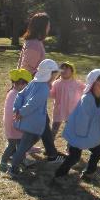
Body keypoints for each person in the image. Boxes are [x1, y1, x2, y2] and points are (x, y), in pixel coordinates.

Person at [52, 68, 100, 183]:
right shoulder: (87, 99)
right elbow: (81, 121)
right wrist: (80, 140)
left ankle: (88, 172)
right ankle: (59, 174)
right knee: (74, 157)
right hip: (79, 134)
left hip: (92, 134)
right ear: (97, 83)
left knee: (98, 151)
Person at [17, 12, 60, 161]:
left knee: (41, 119)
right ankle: (48, 152)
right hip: (32, 86)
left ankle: (34, 147)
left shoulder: (33, 42)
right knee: (41, 120)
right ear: (43, 26)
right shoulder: (34, 44)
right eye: (48, 25)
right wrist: (48, 76)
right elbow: (28, 68)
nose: (49, 27)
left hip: (32, 85)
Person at [9, 59, 62, 177]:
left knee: (30, 141)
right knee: (24, 145)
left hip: (32, 122)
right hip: (33, 122)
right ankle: (13, 167)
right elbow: (33, 103)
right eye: (55, 74)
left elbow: (20, 94)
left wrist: (17, 109)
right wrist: (20, 111)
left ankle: (17, 158)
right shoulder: (43, 88)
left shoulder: (34, 82)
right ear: (49, 74)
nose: (56, 77)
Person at [0, 68, 32, 171]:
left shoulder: (15, 92)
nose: (23, 86)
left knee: (21, 144)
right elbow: (14, 111)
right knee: (12, 145)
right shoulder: (15, 94)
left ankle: (21, 161)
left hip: (16, 124)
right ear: (16, 83)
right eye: (20, 83)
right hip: (14, 125)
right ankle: (3, 163)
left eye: (25, 84)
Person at [50, 62, 86, 138]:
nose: (64, 70)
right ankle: (49, 146)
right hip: (59, 110)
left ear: (72, 71)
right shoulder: (56, 83)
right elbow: (52, 95)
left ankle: (70, 148)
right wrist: (47, 87)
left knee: (71, 130)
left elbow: (87, 90)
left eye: (67, 69)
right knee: (54, 129)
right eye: (62, 69)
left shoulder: (77, 83)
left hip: (72, 111)